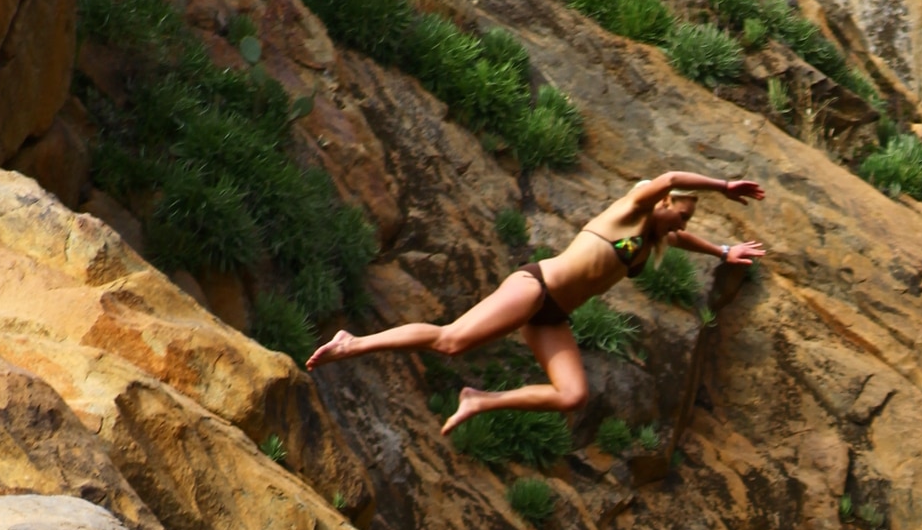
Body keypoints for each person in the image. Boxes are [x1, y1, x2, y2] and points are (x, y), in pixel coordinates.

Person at [305, 170, 768, 435]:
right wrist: (722, 185)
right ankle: (352, 342)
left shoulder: (652, 238)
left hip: (553, 314)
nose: (679, 224)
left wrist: (724, 252)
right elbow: (669, 175)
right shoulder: (630, 211)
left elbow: (680, 237)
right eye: (679, 213)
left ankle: (479, 400)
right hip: (535, 287)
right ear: (663, 201)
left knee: (573, 395)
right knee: (451, 341)